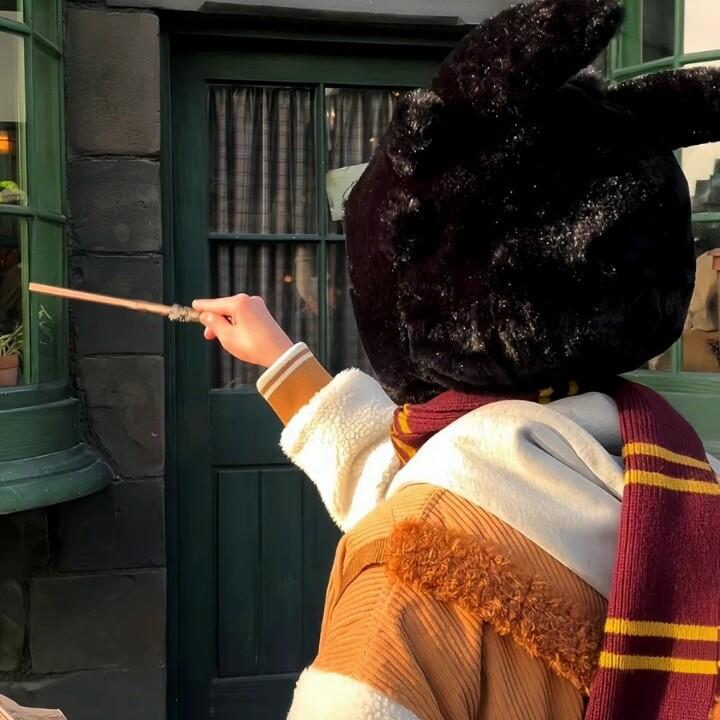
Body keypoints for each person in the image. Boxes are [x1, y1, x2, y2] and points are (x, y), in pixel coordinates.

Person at [195, 0, 720, 717]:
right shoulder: (669, 477)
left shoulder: (412, 581)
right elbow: (429, 482)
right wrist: (284, 362)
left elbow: (436, 505)